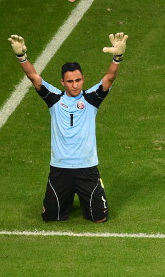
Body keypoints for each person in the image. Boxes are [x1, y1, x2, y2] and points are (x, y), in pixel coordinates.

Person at [8, 32, 128, 223]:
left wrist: (118, 58)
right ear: (62, 82)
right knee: (50, 217)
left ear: (83, 79)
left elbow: (110, 77)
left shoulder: (91, 98)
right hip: (60, 169)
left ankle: (90, 192)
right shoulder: (54, 98)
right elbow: (33, 76)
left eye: (78, 80)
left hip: (86, 168)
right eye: (70, 81)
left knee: (99, 218)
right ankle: (66, 198)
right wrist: (21, 57)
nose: (75, 85)